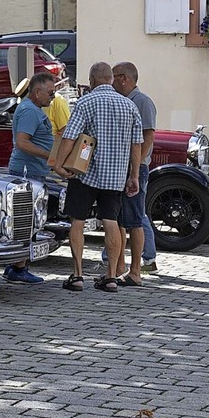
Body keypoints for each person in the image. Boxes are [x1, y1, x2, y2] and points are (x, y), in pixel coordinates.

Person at [53, 62, 143, 293]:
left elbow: (69, 138)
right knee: (111, 221)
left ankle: (78, 275)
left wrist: (59, 164)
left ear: (92, 80)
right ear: (111, 79)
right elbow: (136, 145)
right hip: (115, 175)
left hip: (84, 173)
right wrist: (133, 175)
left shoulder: (85, 102)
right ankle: (111, 276)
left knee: (78, 220)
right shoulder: (129, 106)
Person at [2, 73, 56, 285]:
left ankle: (16, 265)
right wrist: (49, 156)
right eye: (50, 92)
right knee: (25, 221)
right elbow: (22, 143)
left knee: (28, 221)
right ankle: (18, 268)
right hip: (26, 172)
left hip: (34, 171)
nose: (53, 96)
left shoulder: (34, 110)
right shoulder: (29, 111)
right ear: (37, 92)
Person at [110, 62, 158, 285]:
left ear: (123, 79)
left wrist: (136, 167)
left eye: (114, 78)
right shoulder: (123, 101)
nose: (111, 83)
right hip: (121, 168)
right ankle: (119, 266)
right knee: (119, 219)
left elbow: (147, 138)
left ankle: (136, 270)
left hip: (136, 168)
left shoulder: (142, 101)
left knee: (135, 219)